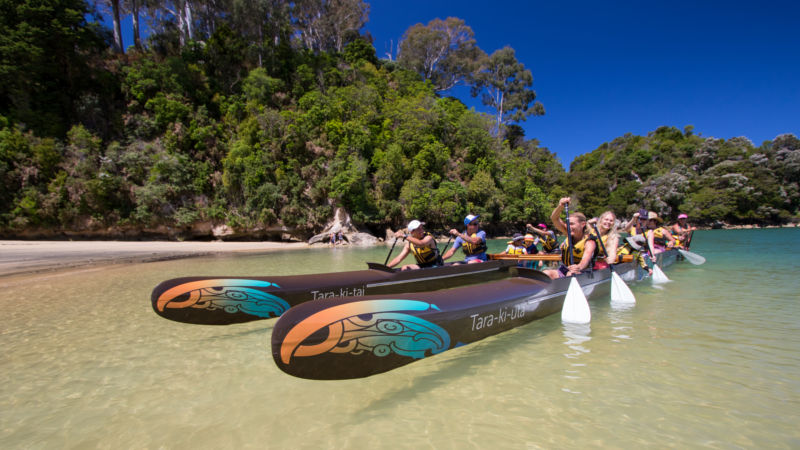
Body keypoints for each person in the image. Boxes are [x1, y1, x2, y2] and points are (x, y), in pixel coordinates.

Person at [542, 197, 597, 280]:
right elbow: (554, 218)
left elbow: (585, 261)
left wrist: (578, 267)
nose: (568, 226)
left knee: (570, 274)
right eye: (568, 223)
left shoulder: (589, 242)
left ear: (582, 224)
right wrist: (560, 206)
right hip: (565, 269)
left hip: (582, 271)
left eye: (572, 224)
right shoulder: (569, 234)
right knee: (546, 273)